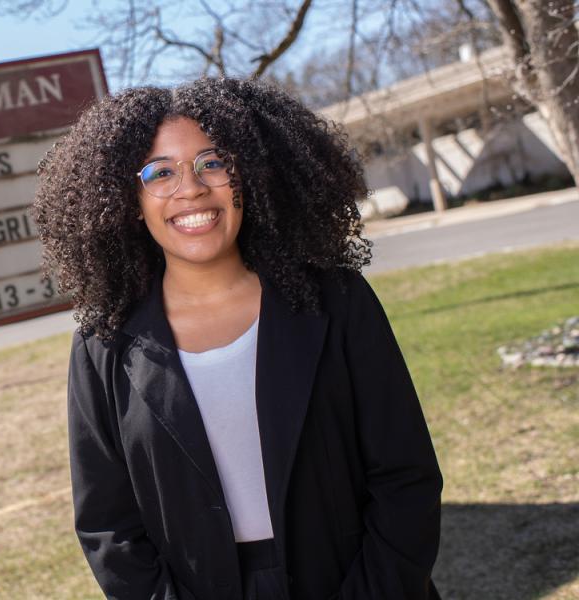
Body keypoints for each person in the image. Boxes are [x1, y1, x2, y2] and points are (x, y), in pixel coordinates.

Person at [32, 78, 443, 600]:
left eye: (213, 162)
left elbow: (406, 479)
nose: (192, 188)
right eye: (160, 173)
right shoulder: (103, 344)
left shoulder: (336, 301)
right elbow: (108, 527)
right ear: (129, 201)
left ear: (247, 175)